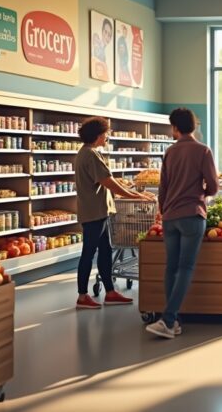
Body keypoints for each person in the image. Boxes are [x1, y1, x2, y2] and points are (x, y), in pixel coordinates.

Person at [146, 108, 219, 339]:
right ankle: (168, 319)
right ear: (194, 126)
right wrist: (201, 192)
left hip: (170, 217)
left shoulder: (169, 152)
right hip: (192, 215)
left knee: (171, 266)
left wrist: (163, 210)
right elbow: (214, 186)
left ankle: (173, 321)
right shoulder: (203, 150)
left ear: (174, 128)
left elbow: (162, 188)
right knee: (186, 268)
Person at [74, 117, 148, 309]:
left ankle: (110, 292)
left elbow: (109, 183)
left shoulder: (85, 153)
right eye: (105, 133)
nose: (107, 136)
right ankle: (82, 296)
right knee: (88, 253)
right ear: (98, 135)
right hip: (94, 213)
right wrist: (136, 196)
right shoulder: (91, 155)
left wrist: (134, 192)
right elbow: (110, 183)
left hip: (97, 211)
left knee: (105, 251)